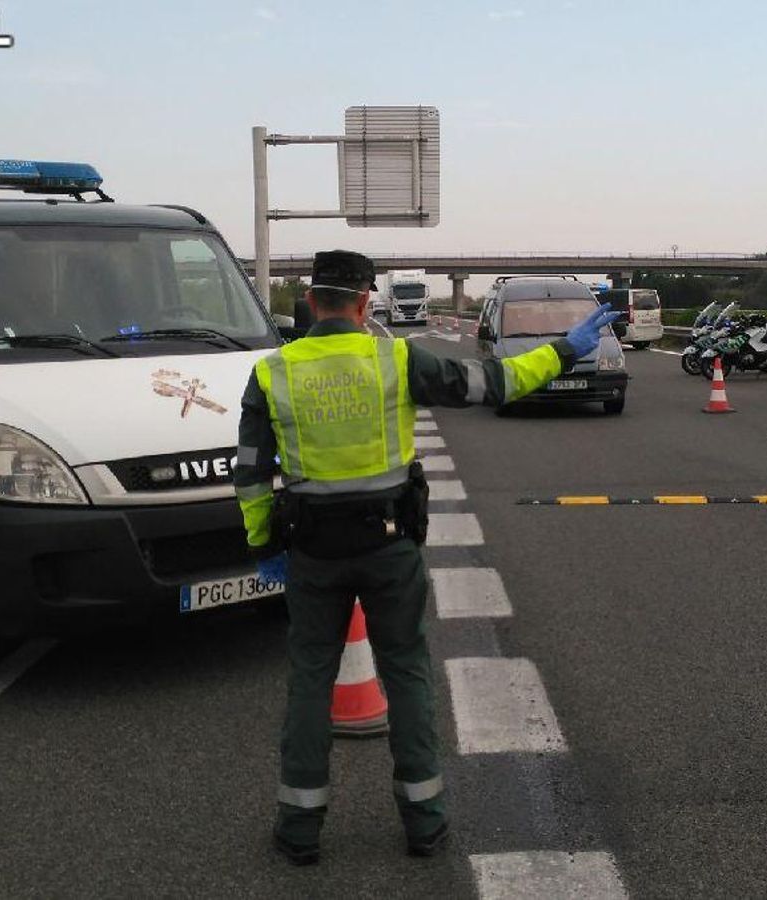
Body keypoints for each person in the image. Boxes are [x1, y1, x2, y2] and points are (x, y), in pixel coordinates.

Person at [232, 251, 620, 866]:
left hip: (311, 552)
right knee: (407, 673)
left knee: (310, 680)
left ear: (310, 302)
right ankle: (424, 823)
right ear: (364, 303)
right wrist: (566, 350)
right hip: (389, 546)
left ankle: (299, 828)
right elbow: (494, 384)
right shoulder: (397, 358)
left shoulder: (273, 371)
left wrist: (262, 547)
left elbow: (251, 474)